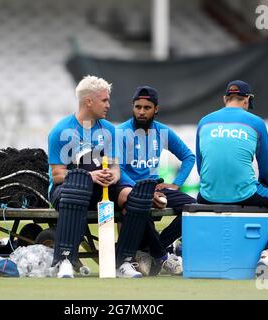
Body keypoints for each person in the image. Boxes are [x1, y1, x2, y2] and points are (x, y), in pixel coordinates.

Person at [48, 76, 158, 278]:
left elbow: (116, 167)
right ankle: (64, 260)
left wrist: (112, 175)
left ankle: (123, 262)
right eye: (104, 100)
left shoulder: (109, 130)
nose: (109, 104)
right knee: (77, 189)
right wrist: (89, 176)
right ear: (88, 101)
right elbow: (57, 175)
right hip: (66, 191)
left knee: (137, 196)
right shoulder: (61, 130)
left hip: (102, 189)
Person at [195, 80, 268, 279]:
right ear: (247, 100)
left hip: (207, 195)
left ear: (225, 99)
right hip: (245, 193)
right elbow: (266, 168)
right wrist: (263, 188)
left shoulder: (204, 121)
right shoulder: (256, 122)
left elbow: (201, 168)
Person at [116, 86, 197, 276]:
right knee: (140, 201)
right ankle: (161, 255)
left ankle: (155, 248)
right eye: (138, 107)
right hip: (128, 190)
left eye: (147, 107)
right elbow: (116, 168)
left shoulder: (162, 132)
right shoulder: (119, 133)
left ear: (156, 109)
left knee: (194, 208)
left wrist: (175, 184)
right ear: (132, 107)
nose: (142, 111)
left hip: (156, 189)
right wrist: (140, 189)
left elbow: (188, 157)